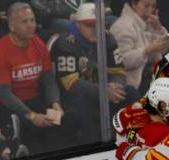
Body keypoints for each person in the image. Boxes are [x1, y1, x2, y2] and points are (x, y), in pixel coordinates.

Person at [0, 3, 74, 156]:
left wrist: (55, 103)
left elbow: (48, 79)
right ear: (11, 26)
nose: (30, 25)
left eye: (32, 20)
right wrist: (31, 115)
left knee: (70, 117)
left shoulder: (38, 44)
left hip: (34, 99)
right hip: (7, 106)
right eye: (24, 22)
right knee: (32, 129)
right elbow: (4, 94)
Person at [51, 3, 133, 140]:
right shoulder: (65, 43)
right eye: (89, 25)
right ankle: (93, 149)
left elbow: (119, 70)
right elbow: (70, 84)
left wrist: (117, 86)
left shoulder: (107, 37)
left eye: (98, 25)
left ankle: (136, 141)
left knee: (130, 94)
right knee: (85, 107)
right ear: (78, 25)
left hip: (104, 88)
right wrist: (103, 91)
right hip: (75, 95)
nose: (95, 29)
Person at [110, 0, 169, 92]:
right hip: (130, 84)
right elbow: (122, 61)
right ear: (134, 4)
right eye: (146, 6)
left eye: (153, 6)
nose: (150, 10)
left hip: (150, 76)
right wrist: (146, 51)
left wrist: (158, 28)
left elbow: (163, 50)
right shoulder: (123, 26)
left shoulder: (149, 23)